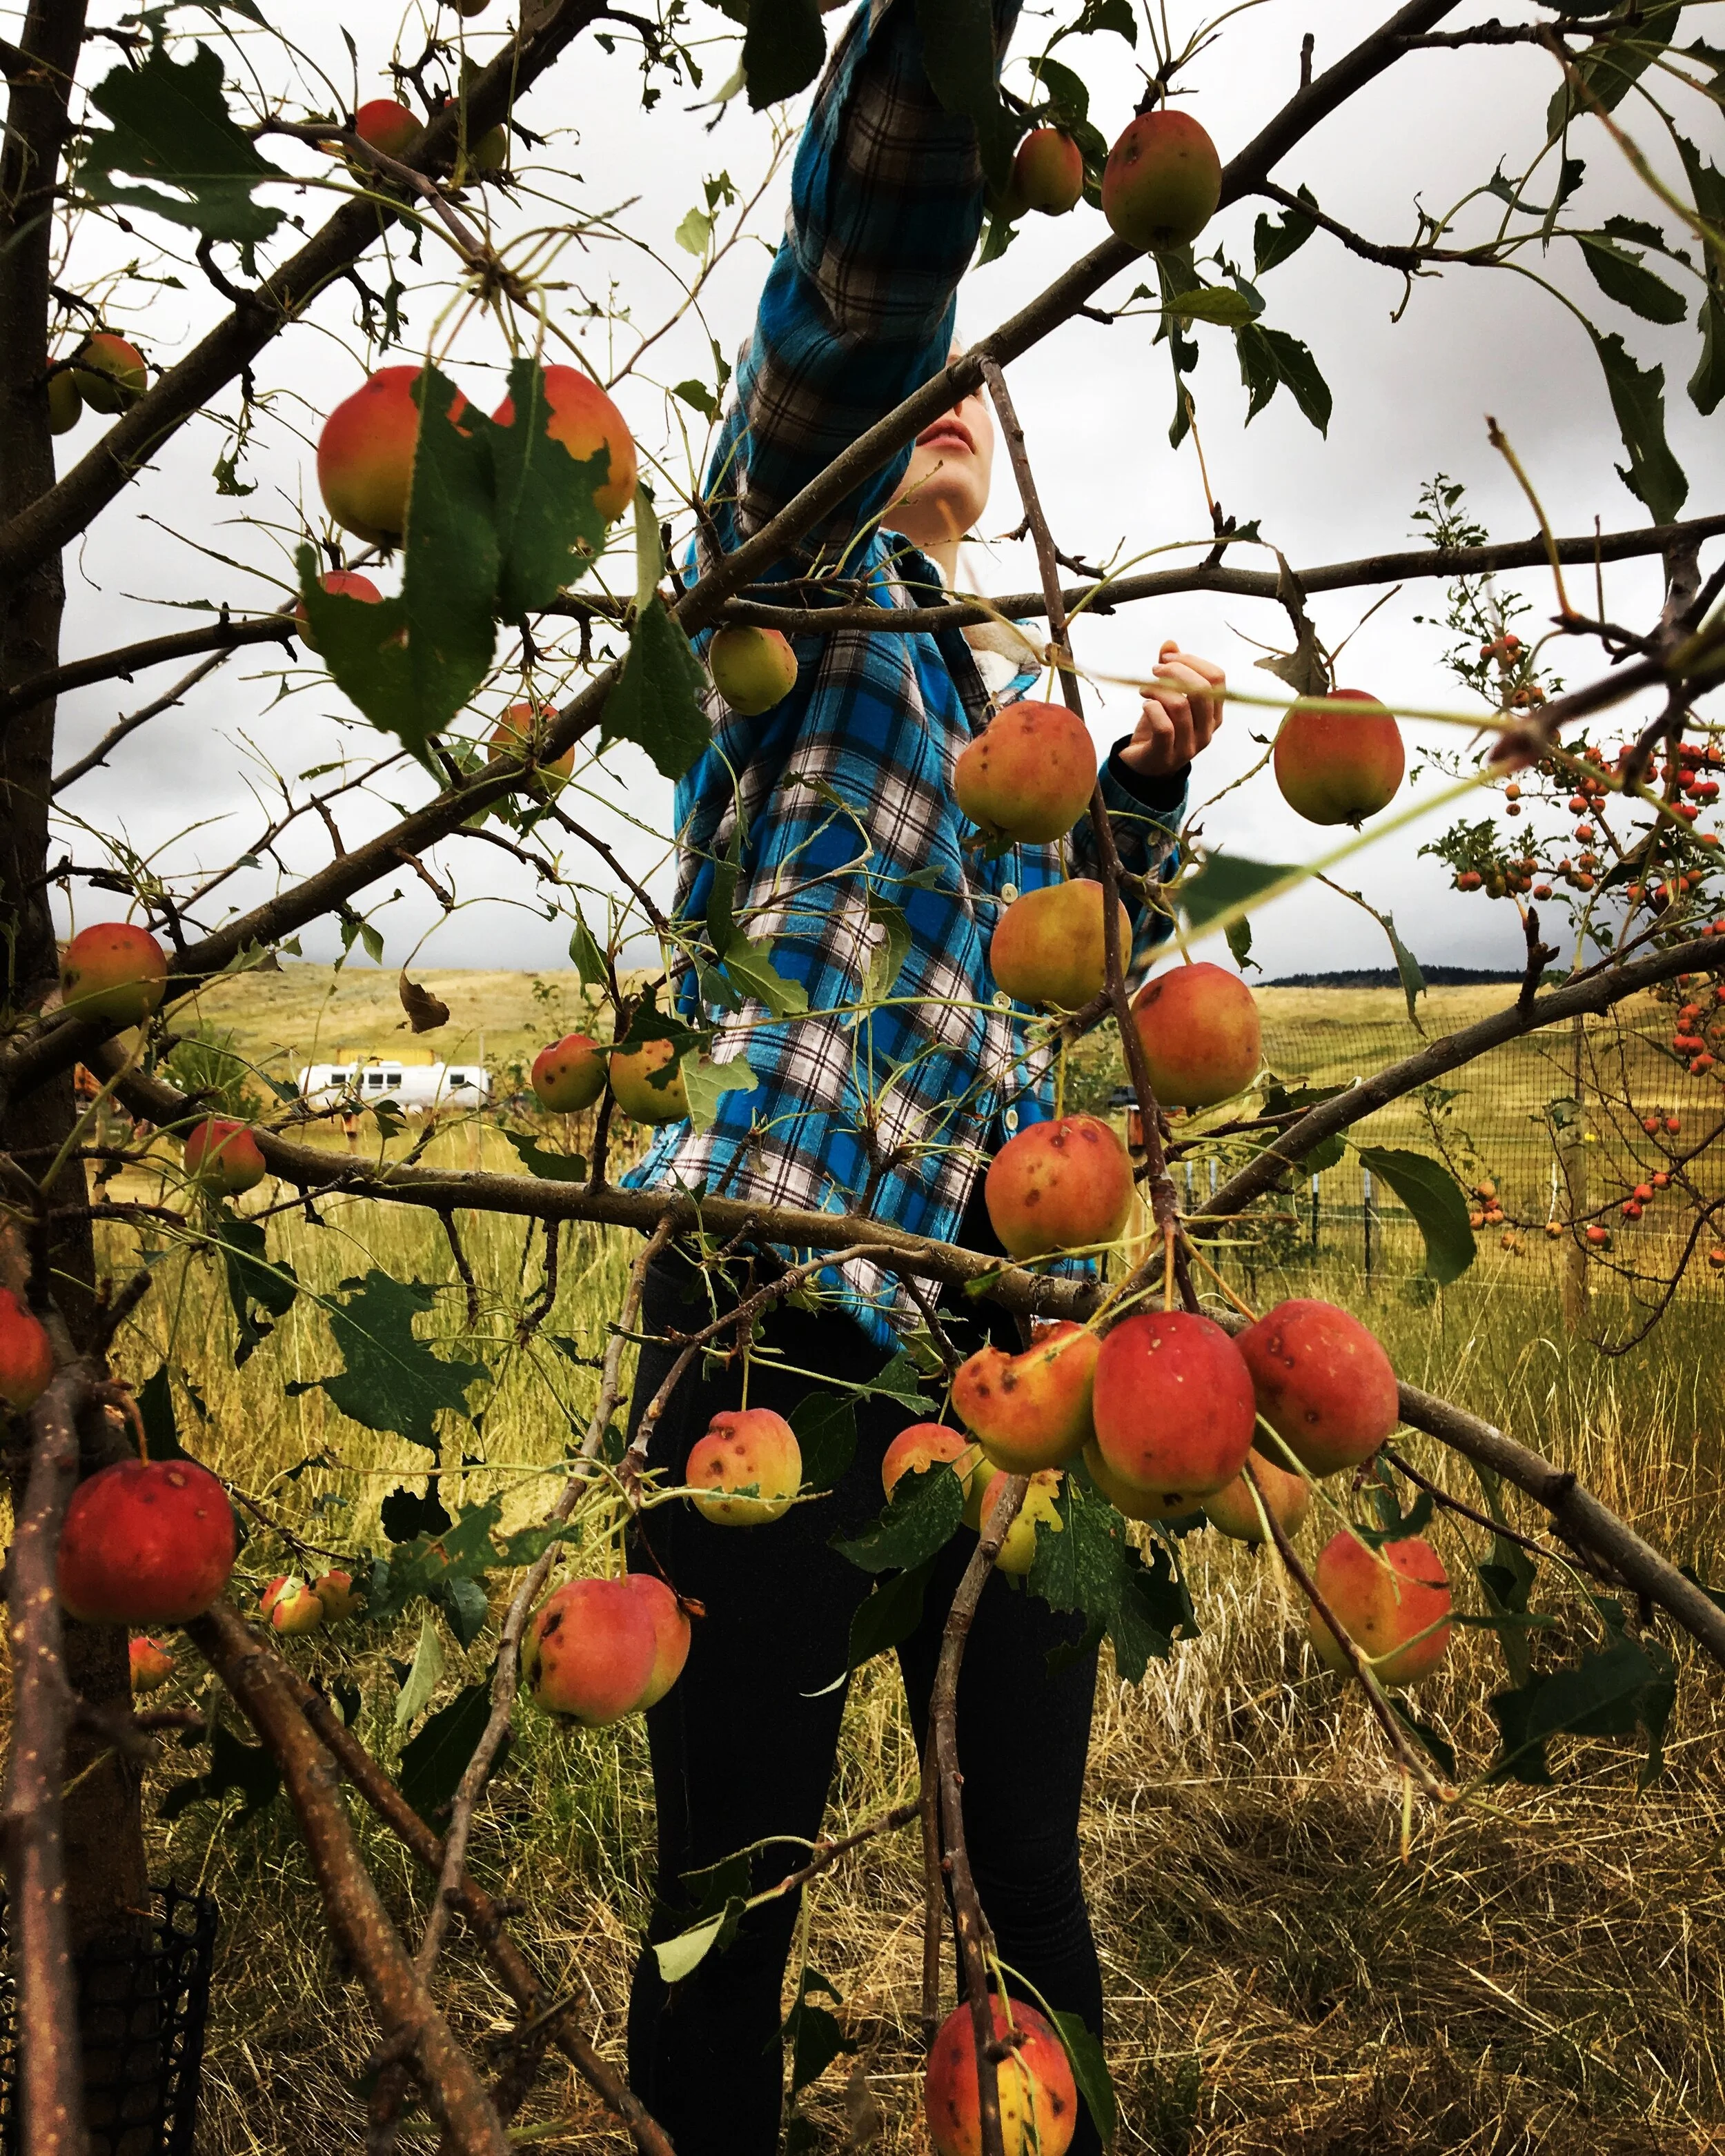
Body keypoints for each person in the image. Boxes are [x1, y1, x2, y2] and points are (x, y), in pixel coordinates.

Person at [618, 2, 1223, 2145]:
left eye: (987, 386)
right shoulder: (797, 592)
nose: (956, 394)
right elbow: (848, 303)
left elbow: (1038, 1019)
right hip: (775, 1302)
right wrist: (944, 61)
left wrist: (1130, 802)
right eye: (938, 380)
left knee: (1024, 1882)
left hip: (997, 1348)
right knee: (740, 1880)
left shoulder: (1013, 721)